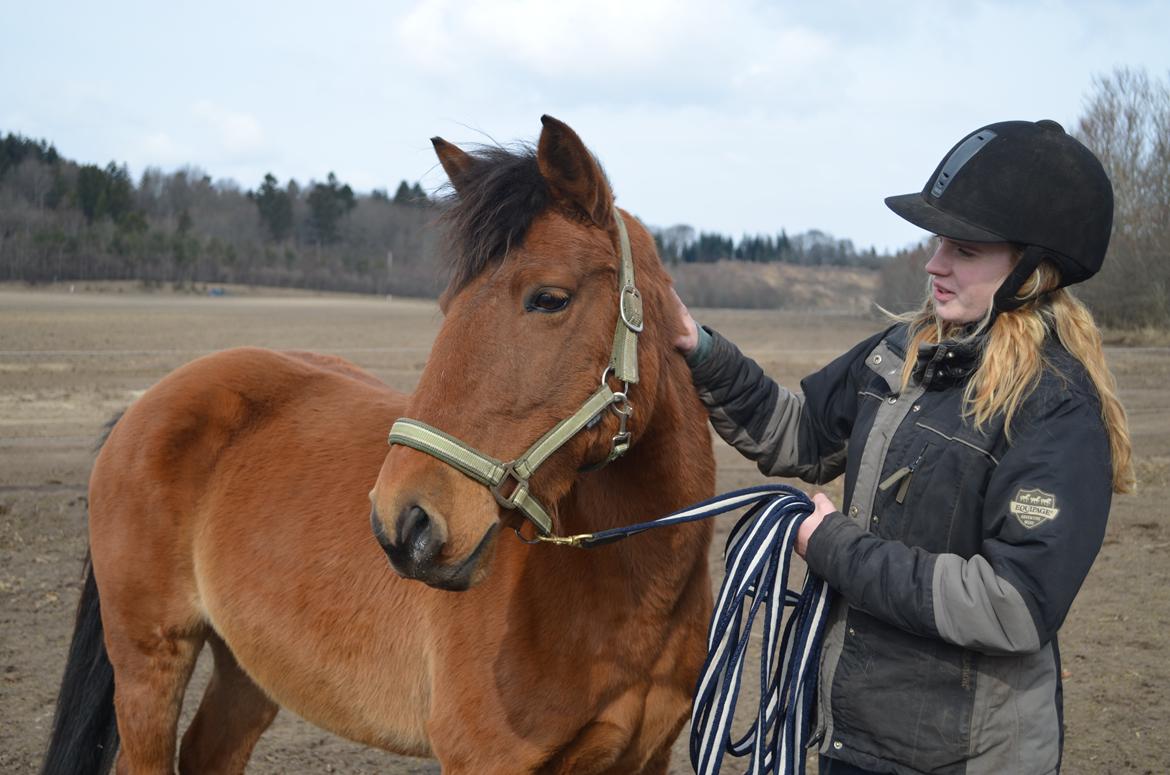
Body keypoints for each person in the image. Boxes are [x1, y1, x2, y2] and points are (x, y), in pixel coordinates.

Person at [673, 119, 1133, 775]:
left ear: (1034, 267)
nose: (933, 264)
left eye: (965, 250)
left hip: (963, 757)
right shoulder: (901, 354)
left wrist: (833, 548)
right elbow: (797, 433)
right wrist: (702, 348)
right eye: (938, 240)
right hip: (851, 739)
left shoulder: (1056, 407)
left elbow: (1010, 603)